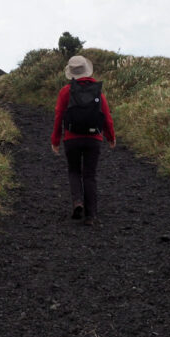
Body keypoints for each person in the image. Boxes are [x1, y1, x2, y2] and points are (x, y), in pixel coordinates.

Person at [50, 55, 116, 225]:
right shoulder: (97, 91)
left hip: (71, 139)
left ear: (71, 72)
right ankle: (91, 216)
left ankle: (78, 202)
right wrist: (110, 137)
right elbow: (107, 117)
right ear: (86, 70)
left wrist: (55, 140)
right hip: (94, 139)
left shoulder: (65, 91)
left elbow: (59, 116)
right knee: (90, 175)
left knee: (74, 171)